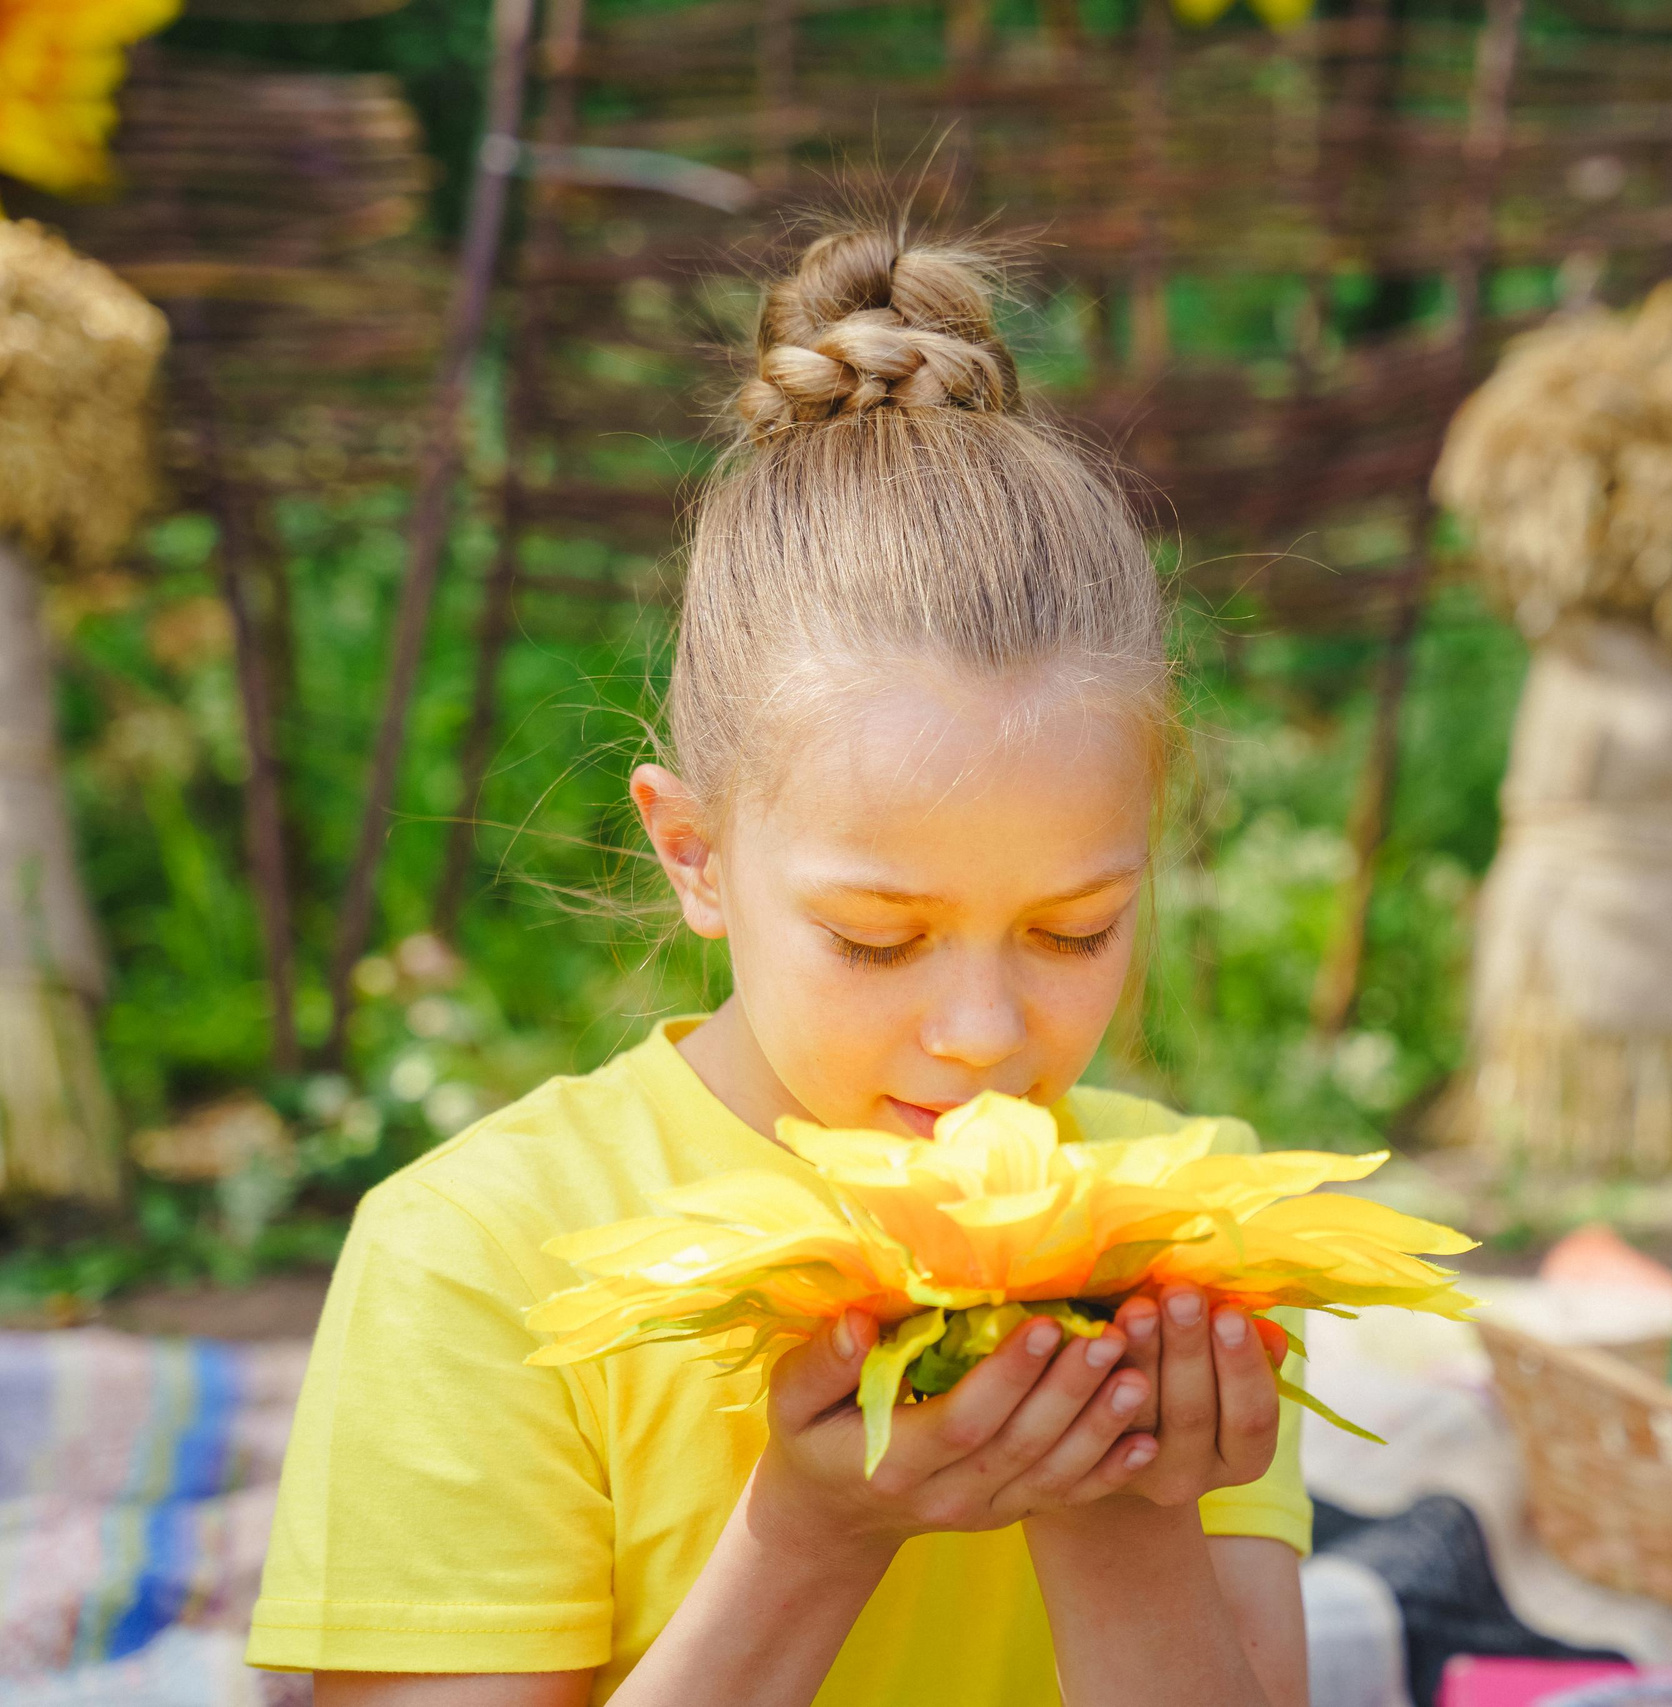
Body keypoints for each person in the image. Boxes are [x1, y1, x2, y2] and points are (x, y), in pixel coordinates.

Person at [246, 227, 1311, 1707]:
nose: (984, 1036)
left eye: (1075, 930)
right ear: (693, 853)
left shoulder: (1183, 1248)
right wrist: (812, 1536)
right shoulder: (481, 1260)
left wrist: (1123, 1506)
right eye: (879, 939)